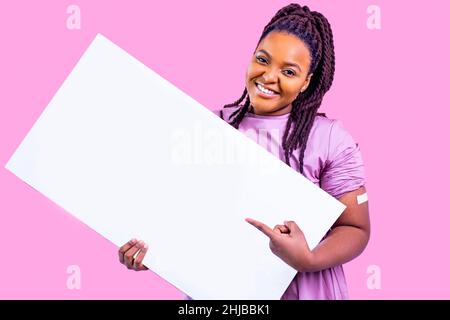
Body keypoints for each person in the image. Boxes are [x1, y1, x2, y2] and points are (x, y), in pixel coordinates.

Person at [118, 3, 370, 300]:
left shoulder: (329, 139)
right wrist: (155, 253)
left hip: (307, 290)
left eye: (289, 71)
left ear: (307, 82)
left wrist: (308, 259)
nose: (268, 77)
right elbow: (181, 213)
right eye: (262, 60)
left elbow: (355, 227)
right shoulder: (207, 127)